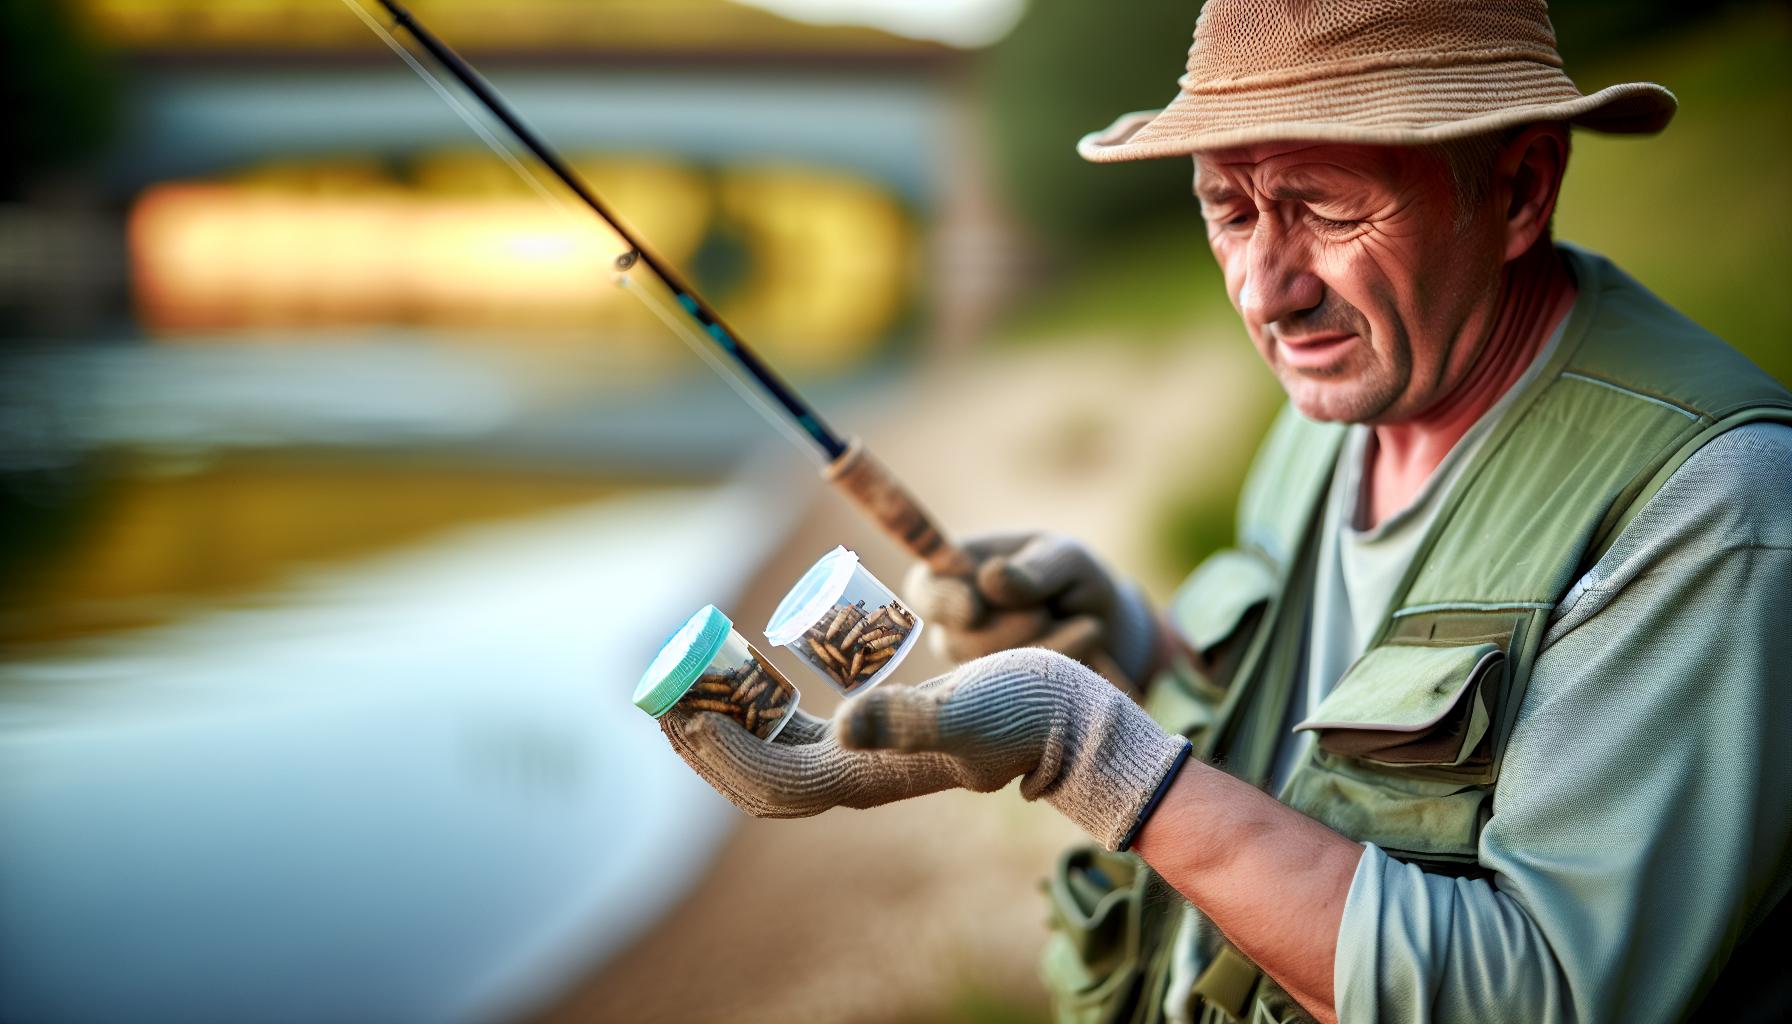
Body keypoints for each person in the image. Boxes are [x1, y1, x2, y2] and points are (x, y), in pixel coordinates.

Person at [657, 1, 1792, 1021]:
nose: (1265, 288)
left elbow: (1536, 995)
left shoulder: (1710, 509)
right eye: (1228, 209)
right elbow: (1300, 731)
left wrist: (1082, 741)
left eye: (1321, 210)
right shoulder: (1341, 393)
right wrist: (1126, 649)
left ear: (1517, 188)